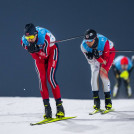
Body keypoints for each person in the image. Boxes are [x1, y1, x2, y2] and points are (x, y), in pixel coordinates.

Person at [21, 23, 65, 119]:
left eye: (32, 37)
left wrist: (36, 50)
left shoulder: (44, 38)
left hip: (51, 51)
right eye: (27, 37)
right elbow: (36, 57)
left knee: (50, 78)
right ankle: (47, 109)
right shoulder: (24, 41)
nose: (30, 39)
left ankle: (60, 107)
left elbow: (45, 55)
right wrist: (33, 51)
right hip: (38, 57)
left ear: (36, 34)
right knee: (42, 80)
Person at [80, 29, 116, 111]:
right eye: (86, 40)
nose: (88, 43)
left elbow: (105, 61)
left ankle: (108, 100)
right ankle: (96, 100)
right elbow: (91, 63)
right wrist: (91, 58)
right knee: (94, 72)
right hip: (97, 56)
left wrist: (98, 57)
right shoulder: (83, 46)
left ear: (95, 38)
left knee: (103, 74)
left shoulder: (104, 42)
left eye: (90, 40)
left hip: (109, 53)